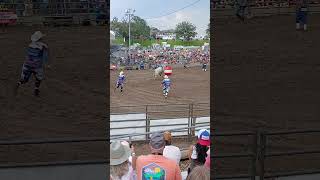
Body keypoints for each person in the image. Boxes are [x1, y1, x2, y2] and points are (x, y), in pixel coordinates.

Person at [14, 31, 49, 96]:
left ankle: (19, 83)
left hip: (27, 64)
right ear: (40, 38)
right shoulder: (43, 46)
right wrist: (46, 64)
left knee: (25, 79)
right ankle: (36, 89)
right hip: (37, 66)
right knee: (39, 78)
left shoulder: (30, 45)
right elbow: (45, 57)